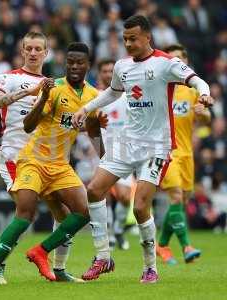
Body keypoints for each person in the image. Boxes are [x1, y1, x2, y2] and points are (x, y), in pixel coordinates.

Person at [72, 15, 213, 284]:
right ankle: (103, 257)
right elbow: (113, 93)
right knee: (94, 190)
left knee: (139, 208)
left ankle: (150, 267)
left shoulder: (165, 63)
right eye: (125, 39)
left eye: (133, 38)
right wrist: (86, 108)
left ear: (147, 37)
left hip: (157, 147)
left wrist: (204, 94)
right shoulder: (122, 66)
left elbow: (196, 80)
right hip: (127, 142)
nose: (128, 43)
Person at [0, 42, 102, 284]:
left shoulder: (93, 96)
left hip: (60, 165)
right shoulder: (53, 87)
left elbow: (93, 129)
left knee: (80, 213)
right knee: (25, 212)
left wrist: (98, 131)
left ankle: (44, 256)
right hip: (32, 159)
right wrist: (43, 96)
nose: (75, 66)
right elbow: (27, 125)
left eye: (80, 62)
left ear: (89, 65)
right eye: (70, 62)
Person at [156, 44, 211, 265]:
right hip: (167, 153)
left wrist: (203, 112)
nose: (176, 64)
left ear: (185, 62)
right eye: (172, 60)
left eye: (180, 60)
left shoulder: (192, 91)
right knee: (176, 197)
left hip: (187, 154)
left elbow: (206, 119)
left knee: (180, 202)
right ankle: (187, 246)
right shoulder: (161, 89)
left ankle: (162, 245)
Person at [96, 59, 132, 251]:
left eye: (112, 71)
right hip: (101, 151)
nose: (109, 74)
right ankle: (108, 234)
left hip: (125, 151)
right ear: (99, 73)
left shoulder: (127, 96)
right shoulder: (95, 96)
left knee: (125, 197)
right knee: (104, 195)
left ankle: (118, 230)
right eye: (105, 71)